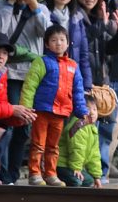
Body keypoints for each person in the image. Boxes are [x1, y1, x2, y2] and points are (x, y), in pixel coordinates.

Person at [74, 0, 118, 182]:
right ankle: (78, 171)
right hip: (82, 80)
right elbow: (78, 44)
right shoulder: (77, 17)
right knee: (82, 127)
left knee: (104, 129)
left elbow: (110, 48)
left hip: (101, 80)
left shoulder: (99, 18)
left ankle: (100, 172)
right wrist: (103, 26)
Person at [0, 0, 51, 185]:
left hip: (32, 76)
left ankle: (12, 172)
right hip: (8, 74)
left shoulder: (40, 8)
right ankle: (5, 174)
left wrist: (33, 5)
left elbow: (47, 33)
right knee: (7, 125)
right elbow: (1, 35)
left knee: (24, 126)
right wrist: (11, 2)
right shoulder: (1, 7)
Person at [21, 24, 89, 186]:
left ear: (67, 43)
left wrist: (82, 110)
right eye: (53, 40)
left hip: (61, 112)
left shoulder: (73, 65)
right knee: (38, 143)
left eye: (62, 40)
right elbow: (30, 86)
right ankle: (35, 173)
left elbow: (78, 90)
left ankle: (51, 174)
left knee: (53, 145)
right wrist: (26, 108)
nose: (58, 43)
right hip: (42, 111)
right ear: (46, 44)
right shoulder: (41, 62)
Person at [0, 32, 38, 184]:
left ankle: (2, 176)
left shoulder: (1, 73)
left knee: (5, 130)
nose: (0, 56)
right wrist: (12, 109)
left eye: (4, 53)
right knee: (2, 133)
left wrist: (19, 118)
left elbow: (1, 109)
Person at [44, 0, 93, 92]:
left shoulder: (77, 17)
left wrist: (86, 85)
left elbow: (83, 54)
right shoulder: (41, 12)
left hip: (71, 79)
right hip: (46, 77)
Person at [56, 95, 102, 187]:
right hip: (62, 164)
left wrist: (96, 176)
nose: (92, 113)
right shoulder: (79, 125)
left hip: (73, 165)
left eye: (94, 109)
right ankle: (56, 176)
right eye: (88, 109)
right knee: (77, 182)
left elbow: (95, 155)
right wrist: (76, 168)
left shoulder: (92, 128)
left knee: (89, 181)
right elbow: (77, 148)